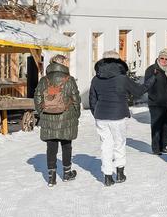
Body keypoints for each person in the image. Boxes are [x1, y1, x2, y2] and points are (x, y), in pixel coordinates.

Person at [90, 50, 148, 186]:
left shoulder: (95, 79)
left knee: (106, 145)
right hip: (118, 115)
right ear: (118, 62)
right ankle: (120, 173)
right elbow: (138, 91)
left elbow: (92, 100)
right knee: (119, 143)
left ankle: (108, 176)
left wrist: (97, 113)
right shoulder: (122, 78)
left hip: (101, 116)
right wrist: (151, 81)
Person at [34, 54, 81, 187]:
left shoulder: (44, 80)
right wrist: (76, 114)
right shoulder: (69, 79)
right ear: (63, 64)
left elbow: (37, 98)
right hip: (67, 117)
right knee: (66, 145)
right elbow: (76, 99)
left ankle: (51, 177)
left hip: (48, 118)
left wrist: (42, 112)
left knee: (51, 147)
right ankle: (67, 173)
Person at [144, 49, 167, 155]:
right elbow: (148, 86)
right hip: (155, 104)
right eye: (162, 58)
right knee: (156, 126)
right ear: (158, 57)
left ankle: (163, 146)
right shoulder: (152, 70)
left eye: (166, 59)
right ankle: (156, 148)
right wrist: (155, 97)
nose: (164, 60)